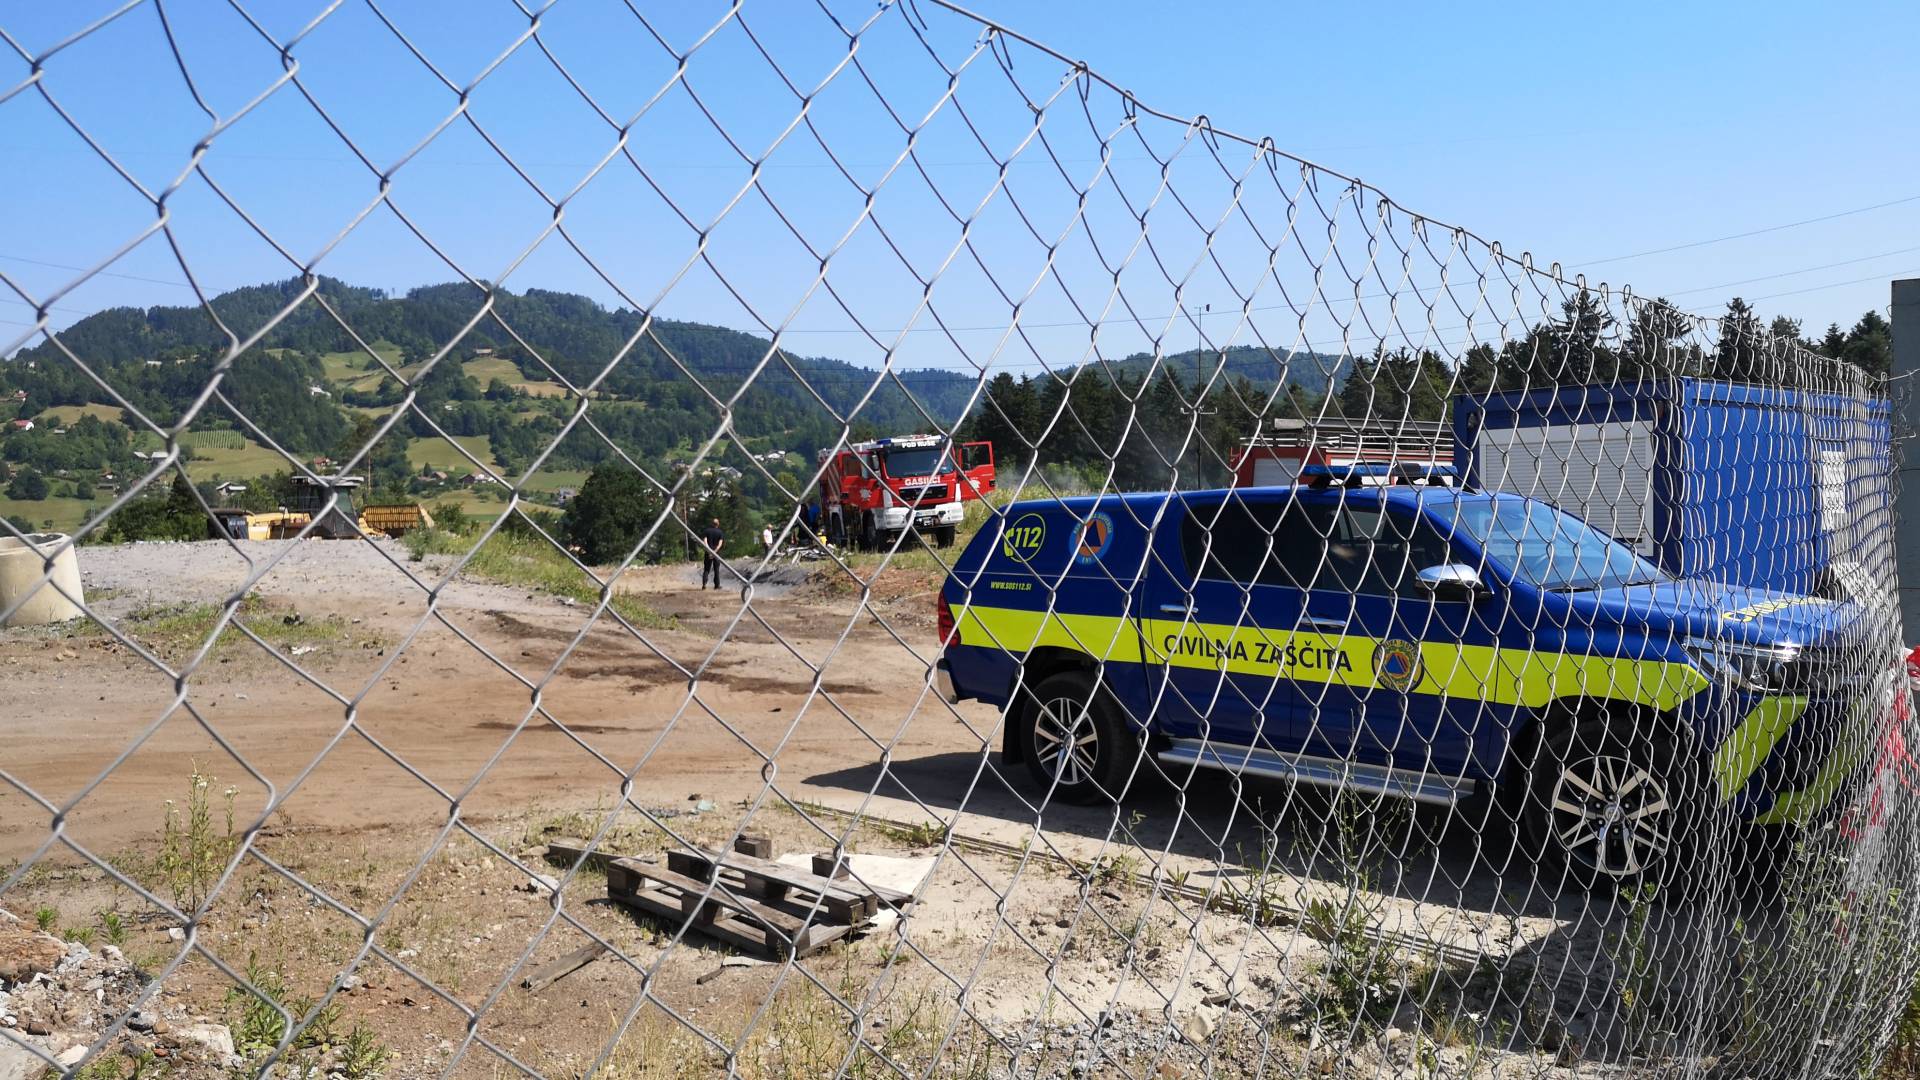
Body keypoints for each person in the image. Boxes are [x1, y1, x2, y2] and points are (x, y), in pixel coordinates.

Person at [700, 517, 725, 590]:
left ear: (712, 524)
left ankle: (704, 584)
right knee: (716, 570)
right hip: (716, 554)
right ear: (718, 524)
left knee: (706, 569)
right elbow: (720, 544)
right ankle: (717, 585)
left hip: (708, 552)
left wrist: (709, 551)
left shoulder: (707, 531)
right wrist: (714, 552)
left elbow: (705, 542)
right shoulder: (720, 532)